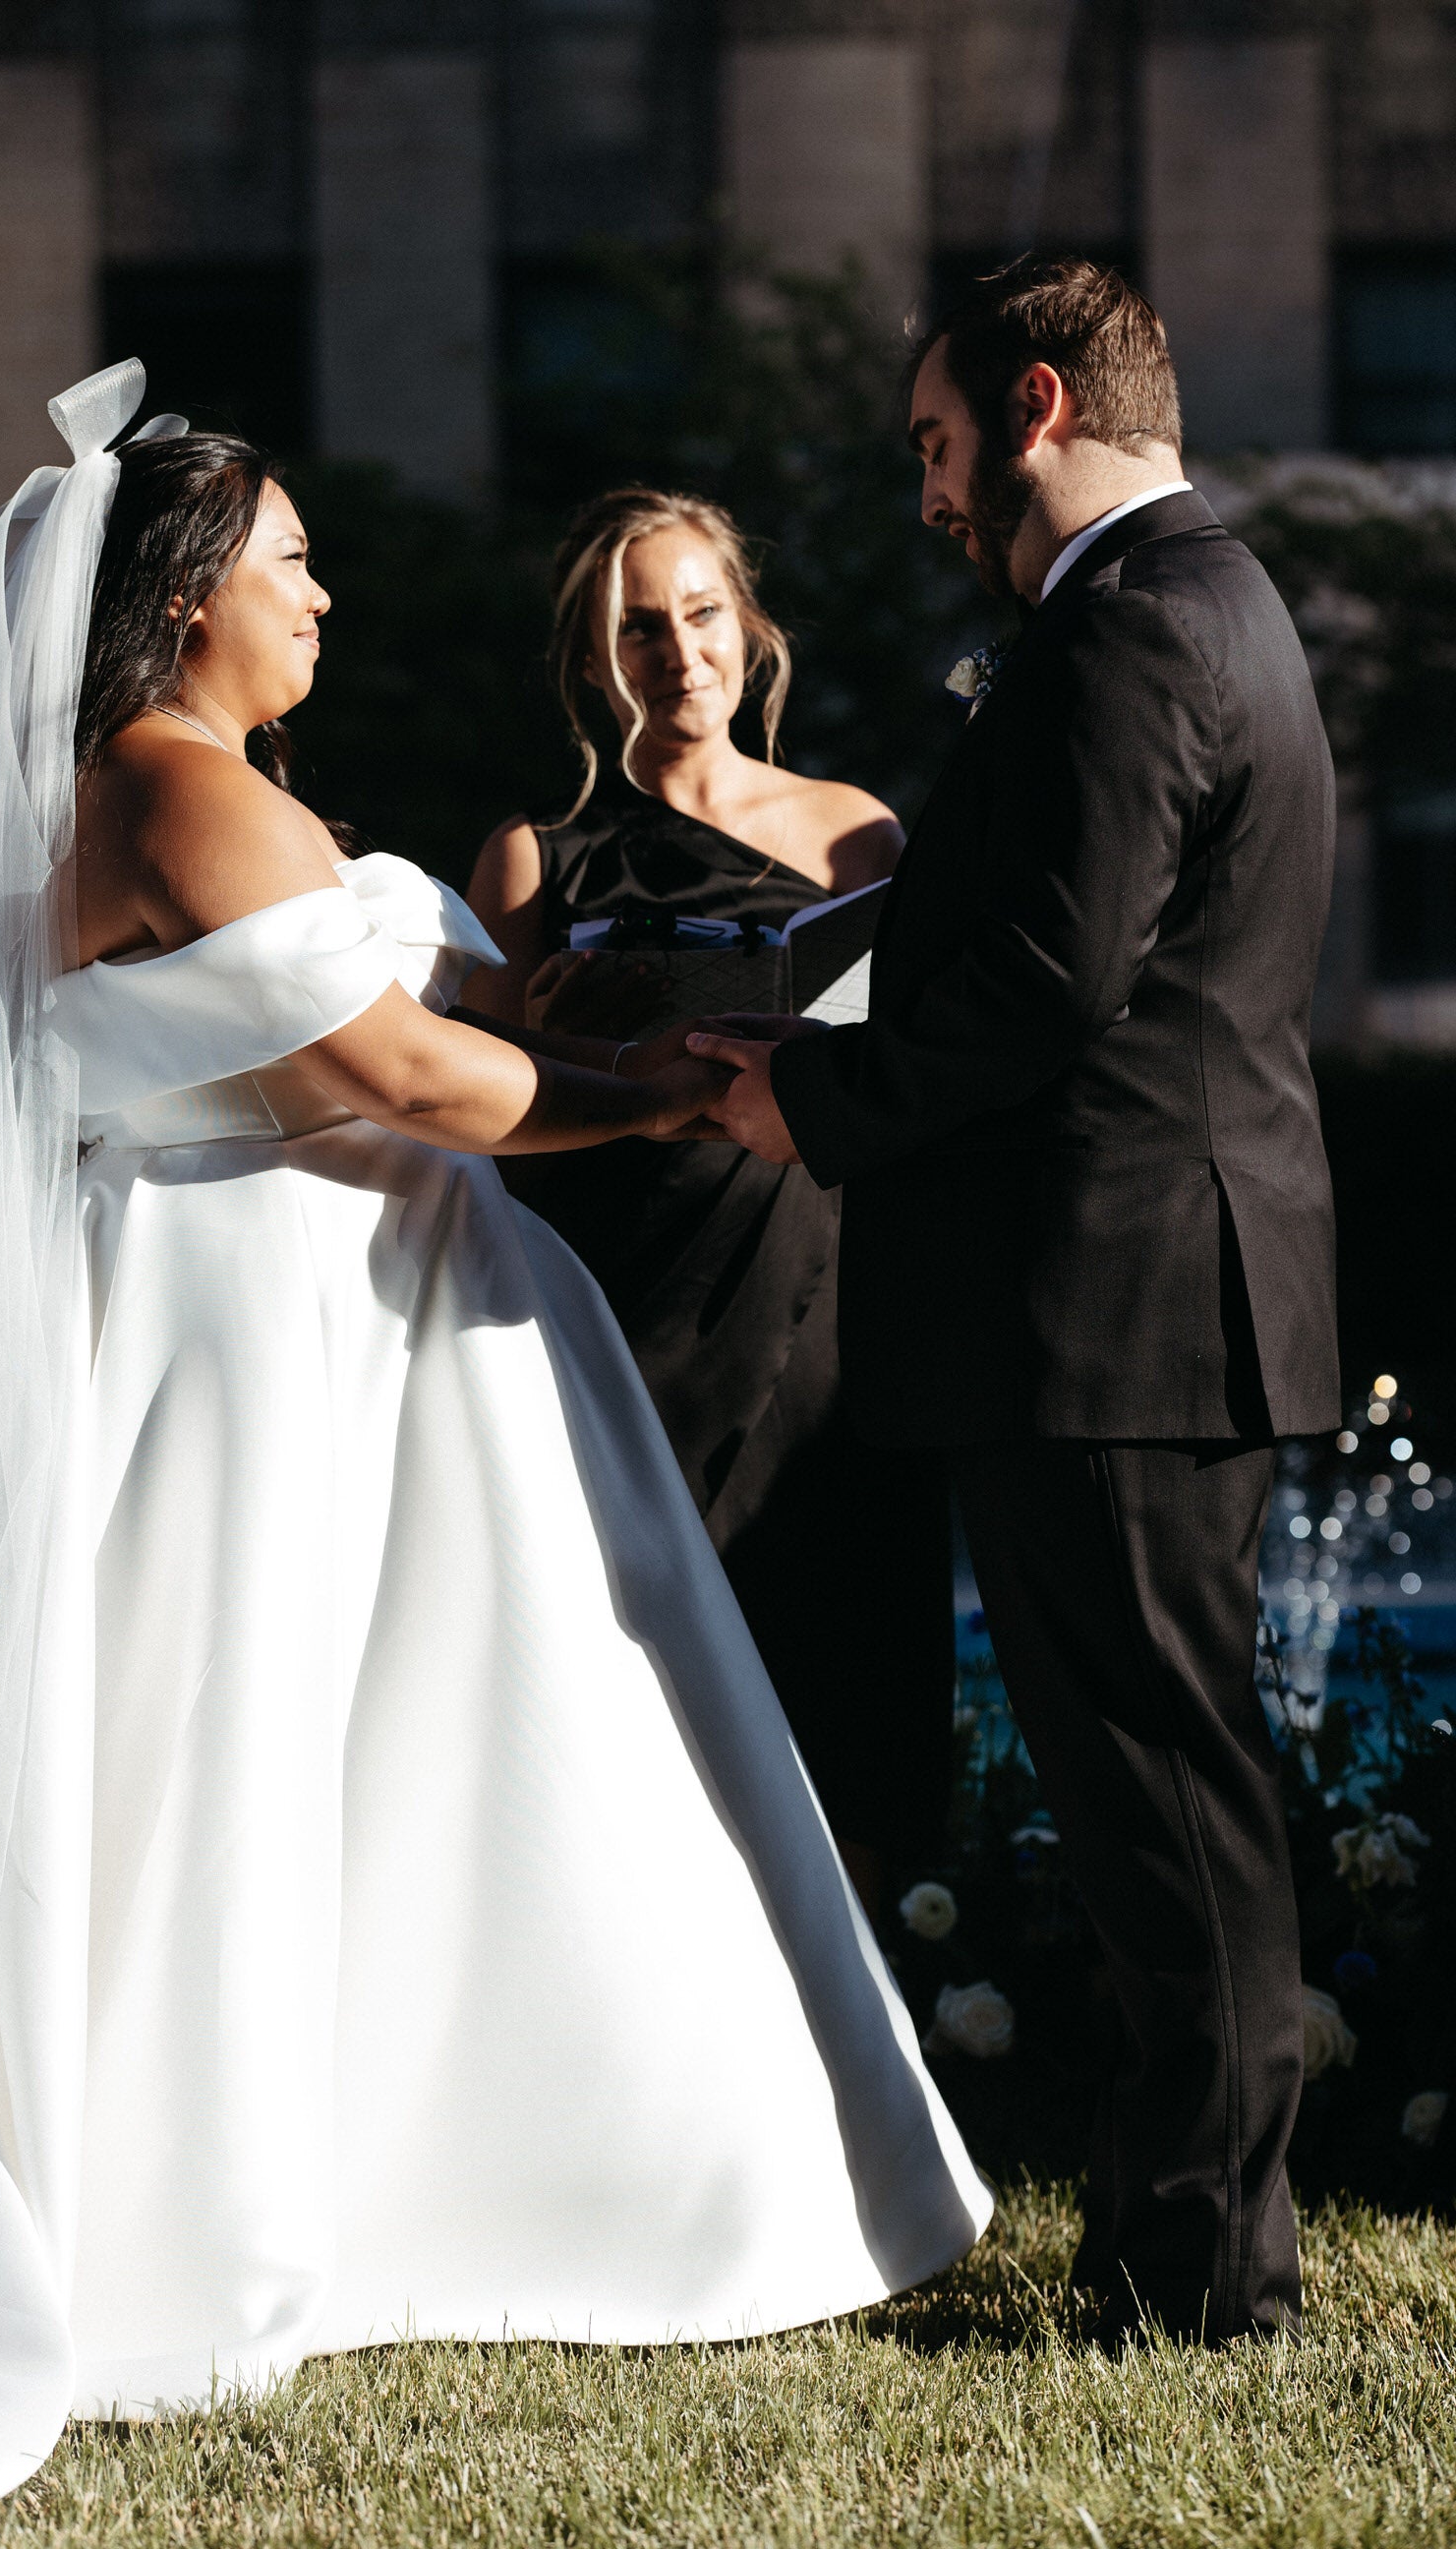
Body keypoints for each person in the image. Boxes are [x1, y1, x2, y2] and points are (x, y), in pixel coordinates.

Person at [0, 363, 989, 2549]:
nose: (322, 592)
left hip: (271, 1324)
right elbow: (405, 1082)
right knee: (262, 1763)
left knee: (218, 1771)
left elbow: (433, 1036)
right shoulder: (172, 786)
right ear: (183, 603)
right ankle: (282, 2210)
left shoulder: (165, 786)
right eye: (291, 562)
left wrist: (596, 1020)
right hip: (261, 1344)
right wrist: (688, 1098)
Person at [693, 257, 1339, 2347]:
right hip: (1154, 1300)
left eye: (937, 445)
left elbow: (1052, 984)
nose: (927, 495)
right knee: (1173, 1781)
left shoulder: (1131, 634)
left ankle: (1197, 2278)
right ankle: (1203, 2248)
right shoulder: (1202, 608)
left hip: (1118, 1309)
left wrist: (815, 1103)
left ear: (1037, 400)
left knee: (1165, 1791)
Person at [464, 489, 956, 1922]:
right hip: (628, 1305)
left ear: (747, 628)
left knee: (843, 1636)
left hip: (827, 1298)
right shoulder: (533, 856)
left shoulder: (861, 836)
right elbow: (469, 1112)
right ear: (591, 658)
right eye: (637, 625)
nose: (677, 652)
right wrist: (556, 1036)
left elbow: (918, 1069)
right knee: (629, 1660)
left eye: (699, 613)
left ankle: (872, 2020)